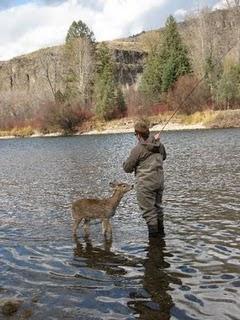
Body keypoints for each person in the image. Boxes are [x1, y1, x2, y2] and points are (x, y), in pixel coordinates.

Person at [123, 120, 166, 238]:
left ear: (138, 135)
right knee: (158, 208)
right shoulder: (159, 145)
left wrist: (124, 163)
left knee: (149, 213)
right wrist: (156, 142)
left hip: (145, 185)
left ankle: (154, 242)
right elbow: (164, 157)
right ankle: (161, 237)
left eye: (135, 134)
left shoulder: (138, 149)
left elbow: (127, 168)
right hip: (159, 182)